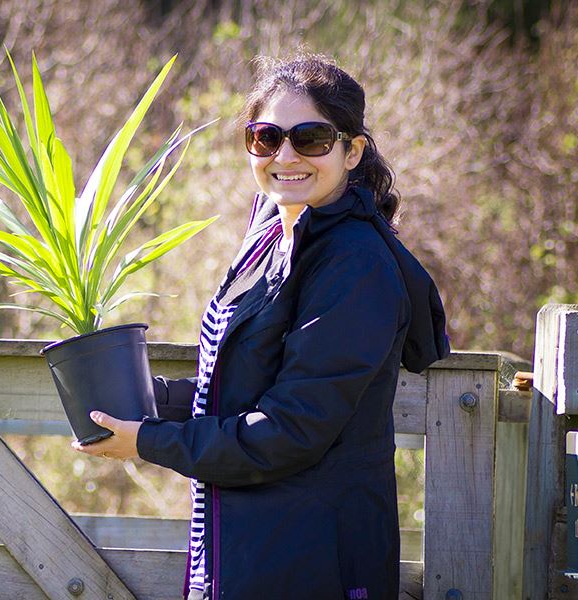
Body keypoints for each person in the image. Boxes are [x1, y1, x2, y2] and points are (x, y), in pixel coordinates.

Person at [71, 54, 450, 600]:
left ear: (352, 151)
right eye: (266, 137)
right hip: (244, 553)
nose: (286, 156)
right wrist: (144, 403)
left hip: (313, 565)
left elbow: (289, 431)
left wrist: (148, 441)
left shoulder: (356, 266)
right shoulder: (271, 234)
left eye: (312, 138)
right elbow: (241, 388)